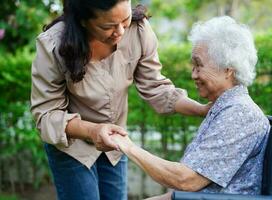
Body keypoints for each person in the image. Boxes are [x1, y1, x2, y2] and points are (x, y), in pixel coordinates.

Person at [30, 0, 210, 200]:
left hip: (114, 144)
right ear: (82, 21)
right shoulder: (53, 44)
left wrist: (202, 109)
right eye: (107, 26)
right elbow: (47, 115)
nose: (121, 32)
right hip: (71, 145)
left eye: (125, 20)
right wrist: (93, 130)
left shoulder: (139, 30)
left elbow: (156, 87)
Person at [112, 16, 270, 199]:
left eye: (198, 65)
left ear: (228, 69)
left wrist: (128, 146)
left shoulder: (240, 114)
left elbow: (186, 181)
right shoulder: (225, 108)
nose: (193, 74)